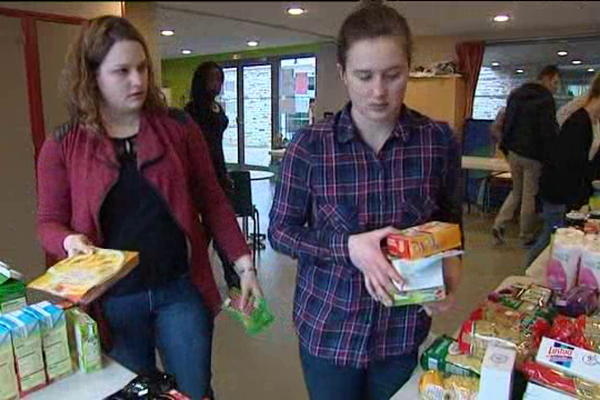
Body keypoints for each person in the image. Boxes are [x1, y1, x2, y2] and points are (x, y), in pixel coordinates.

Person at [36, 16, 263, 400]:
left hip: (180, 291)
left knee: (192, 391)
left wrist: (244, 264)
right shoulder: (63, 145)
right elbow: (48, 222)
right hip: (114, 302)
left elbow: (212, 199)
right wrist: (69, 239)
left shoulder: (179, 128)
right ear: (92, 77)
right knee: (130, 394)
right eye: (122, 71)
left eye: (142, 68)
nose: (138, 81)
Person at [268, 4, 462, 399]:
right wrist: (348, 247)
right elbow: (280, 233)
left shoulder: (436, 141)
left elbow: (449, 222)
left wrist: (451, 263)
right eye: (364, 76)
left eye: (393, 75)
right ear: (342, 74)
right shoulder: (310, 146)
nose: (378, 91)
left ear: (409, 68)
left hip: (402, 331)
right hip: (329, 331)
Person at [526, 72, 600, 266]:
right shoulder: (578, 122)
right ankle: (526, 277)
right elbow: (569, 166)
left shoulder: (590, 121)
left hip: (563, 191)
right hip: (559, 193)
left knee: (550, 240)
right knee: (549, 242)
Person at [185, 61, 241, 290]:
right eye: (212, 79)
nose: (217, 84)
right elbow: (197, 151)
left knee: (218, 227)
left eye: (219, 79)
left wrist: (223, 172)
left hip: (218, 173)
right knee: (208, 231)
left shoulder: (217, 108)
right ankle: (223, 277)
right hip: (200, 177)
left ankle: (231, 278)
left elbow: (217, 148)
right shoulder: (191, 111)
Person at [492, 65, 561, 247]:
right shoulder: (546, 99)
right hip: (533, 155)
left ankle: (499, 224)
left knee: (516, 191)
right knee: (529, 195)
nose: (556, 87)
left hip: (514, 151)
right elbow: (548, 131)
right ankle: (526, 234)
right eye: (555, 82)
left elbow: (508, 123)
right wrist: (550, 156)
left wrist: (506, 148)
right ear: (546, 78)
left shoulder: (516, 95)